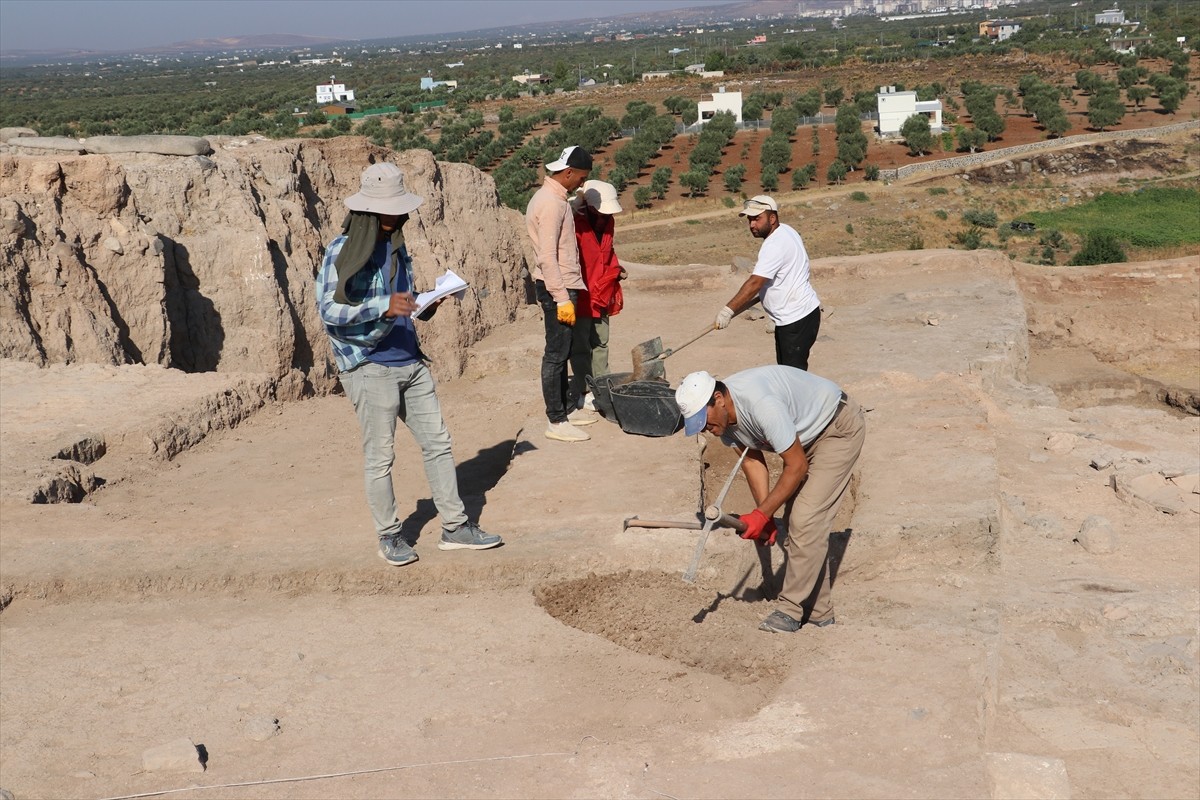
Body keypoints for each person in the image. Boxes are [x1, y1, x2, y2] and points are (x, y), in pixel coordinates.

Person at [316, 162, 503, 567]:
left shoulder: (398, 248)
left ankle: (455, 527)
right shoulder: (341, 251)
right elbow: (329, 310)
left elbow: (403, 303)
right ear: (370, 211)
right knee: (381, 457)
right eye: (394, 209)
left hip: (410, 359)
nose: (402, 216)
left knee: (438, 443)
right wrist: (384, 305)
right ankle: (390, 535)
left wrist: (427, 300)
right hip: (369, 365)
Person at [675, 366, 865, 633]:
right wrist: (765, 518)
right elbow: (752, 461)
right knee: (796, 522)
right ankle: (820, 613)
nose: (706, 429)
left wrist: (762, 514)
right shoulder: (724, 421)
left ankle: (790, 610)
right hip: (804, 438)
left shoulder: (761, 404)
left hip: (835, 430)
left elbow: (796, 466)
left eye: (704, 420)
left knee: (805, 519)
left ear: (718, 398)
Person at [525, 145, 599, 441]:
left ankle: (566, 409)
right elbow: (547, 256)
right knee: (556, 354)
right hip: (558, 286)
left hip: (562, 285)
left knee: (564, 350)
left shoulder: (554, 199)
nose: (582, 183)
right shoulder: (552, 204)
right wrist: (561, 297)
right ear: (568, 173)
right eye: (581, 177)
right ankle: (556, 421)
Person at [715, 195, 822, 371]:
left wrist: (728, 311)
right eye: (749, 220)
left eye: (757, 219)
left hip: (795, 320)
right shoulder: (786, 230)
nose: (752, 225)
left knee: (793, 377)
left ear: (772, 218)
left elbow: (755, 282)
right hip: (796, 317)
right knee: (786, 372)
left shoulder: (775, 245)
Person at [571, 179, 626, 411]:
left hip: (602, 293)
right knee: (581, 345)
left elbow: (608, 252)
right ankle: (584, 390)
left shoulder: (608, 223)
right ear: (591, 208)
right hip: (582, 295)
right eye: (601, 213)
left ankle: (602, 386)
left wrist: (616, 268)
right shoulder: (574, 224)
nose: (605, 218)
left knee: (601, 342)